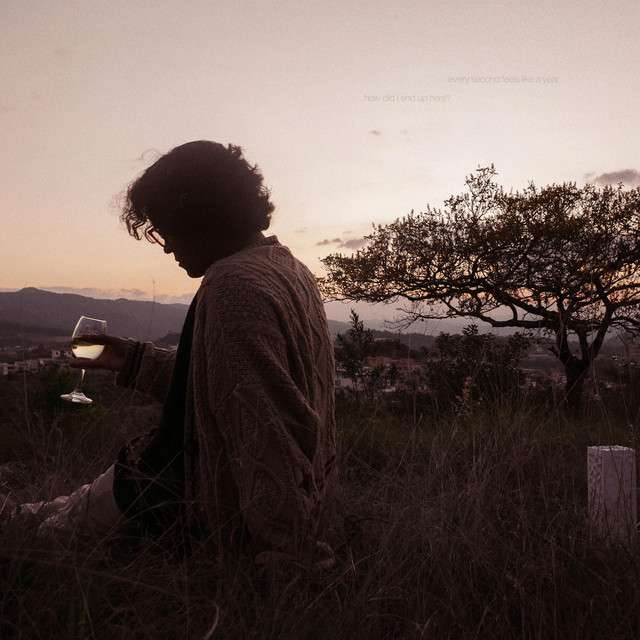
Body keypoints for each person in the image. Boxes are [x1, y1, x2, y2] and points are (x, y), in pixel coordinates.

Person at [1, 141, 341, 572]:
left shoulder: (233, 286)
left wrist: (290, 552)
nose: (165, 247)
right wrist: (133, 360)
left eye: (165, 229)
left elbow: (265, 426)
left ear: (196, 215)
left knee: (34, 538)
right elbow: (221, 385)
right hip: (158, 480)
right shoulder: (287, 267)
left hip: (178, 499)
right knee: (37, 515)